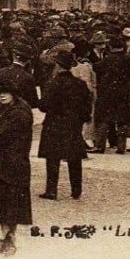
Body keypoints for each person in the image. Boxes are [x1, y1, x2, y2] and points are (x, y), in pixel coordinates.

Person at [0, 80, 33, 255]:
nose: (2, 95)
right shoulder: (12, 108)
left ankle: (10, 240)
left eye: (5, 92)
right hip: (9, 162)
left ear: (14, 94)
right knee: (6, 203)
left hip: (11, 163)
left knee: (10, 203)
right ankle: (7, 239)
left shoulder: (18, 113)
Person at [37, 53, 91, 200]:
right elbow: (87, 107)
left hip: (54, 124)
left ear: (58, 66)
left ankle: (51, 190)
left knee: (52, 158)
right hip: (73, 125)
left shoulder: (52, 84)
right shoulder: (80, 84)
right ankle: (76, 190)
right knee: (74, 158)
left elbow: (44, 106)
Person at [91, 37, 130, 154]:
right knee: (122, 119)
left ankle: (100, 145)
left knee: (103, 118)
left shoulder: (108, 59)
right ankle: (121, 146)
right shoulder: (128, 59)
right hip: (123, 91)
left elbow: (96, 68)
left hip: (107, 91)